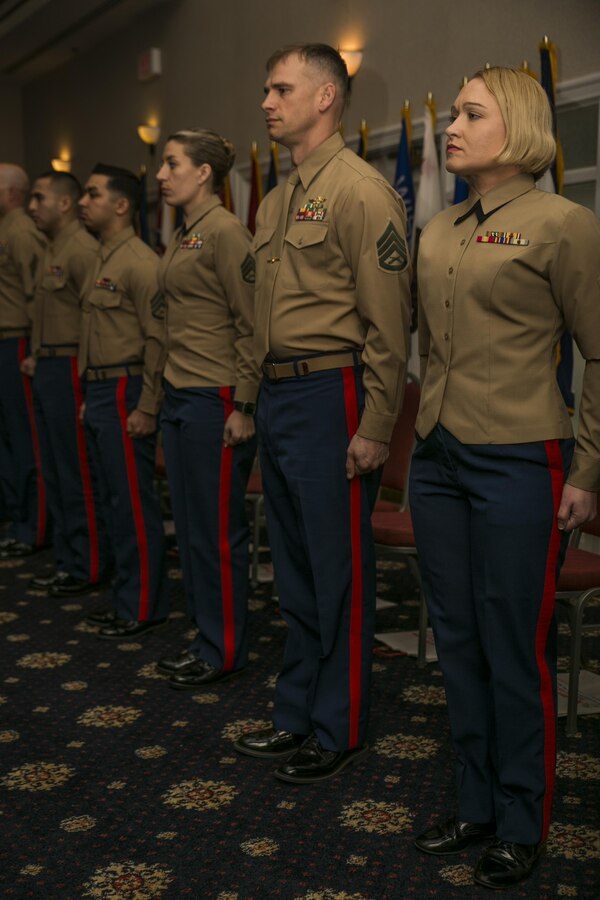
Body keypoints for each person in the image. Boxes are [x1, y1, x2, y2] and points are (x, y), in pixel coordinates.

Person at [409, 67, 600, 889]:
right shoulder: (440, 227)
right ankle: (475, 803)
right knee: (457, 644)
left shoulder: (566, 224)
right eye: (454, 112)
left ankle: (523, 817)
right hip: (438, 459)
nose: (452, 125)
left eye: (470, 113)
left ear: (516, 127)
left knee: (512, 647)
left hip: (522, 457)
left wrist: (588, 469)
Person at [234, 44, 411, 783]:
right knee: (297, 572)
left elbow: (387, 327)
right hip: (279, 396)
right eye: (267, 89)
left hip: (330, 392)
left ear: (327, 97)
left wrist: (374, 426)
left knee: (338, 570)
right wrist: (250, 401)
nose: (268, 103)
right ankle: (296, 713)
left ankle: (338, 728)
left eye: (282, 89)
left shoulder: (359, 190)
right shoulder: (279, 197)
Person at [154, 128, 259, 687]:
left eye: (171, 164)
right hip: (180, 394)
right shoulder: (185, 234)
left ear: (203, 173)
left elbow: (250, 325)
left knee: (217, 531)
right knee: (192, 527)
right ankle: (205, 638)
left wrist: (244, 404)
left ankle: (224, 649)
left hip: (216, 398)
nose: (161, 175)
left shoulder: (225, 233)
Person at [78, 163, 169, 639]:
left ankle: (144, 604)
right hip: (99, 388)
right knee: (113, 499)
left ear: (120, 205)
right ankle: (125, 595)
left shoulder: (140, 262)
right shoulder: (101, 257)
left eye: (91, 194)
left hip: (126, 388)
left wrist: (147, 405)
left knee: (133, 501)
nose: (82, 201)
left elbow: (157, 339)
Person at [26, 170, 112, 595]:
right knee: (55, 469)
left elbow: (93, 316)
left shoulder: (81, 249)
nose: (31, 206)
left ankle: (88, 563)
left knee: (77, 470)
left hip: (72, 369)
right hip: (47, 366)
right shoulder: (51, 246)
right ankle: (68, 557)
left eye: (39, 198)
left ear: (63, 202)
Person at [0, 163, 48, 558]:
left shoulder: (21, 231)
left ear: (10, 191)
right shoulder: (6, 229)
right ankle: (18, 519)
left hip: (17, 342)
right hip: (5, 342)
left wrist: (34, 348)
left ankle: (32, 525)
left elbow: (38, 294)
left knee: (23, 438)